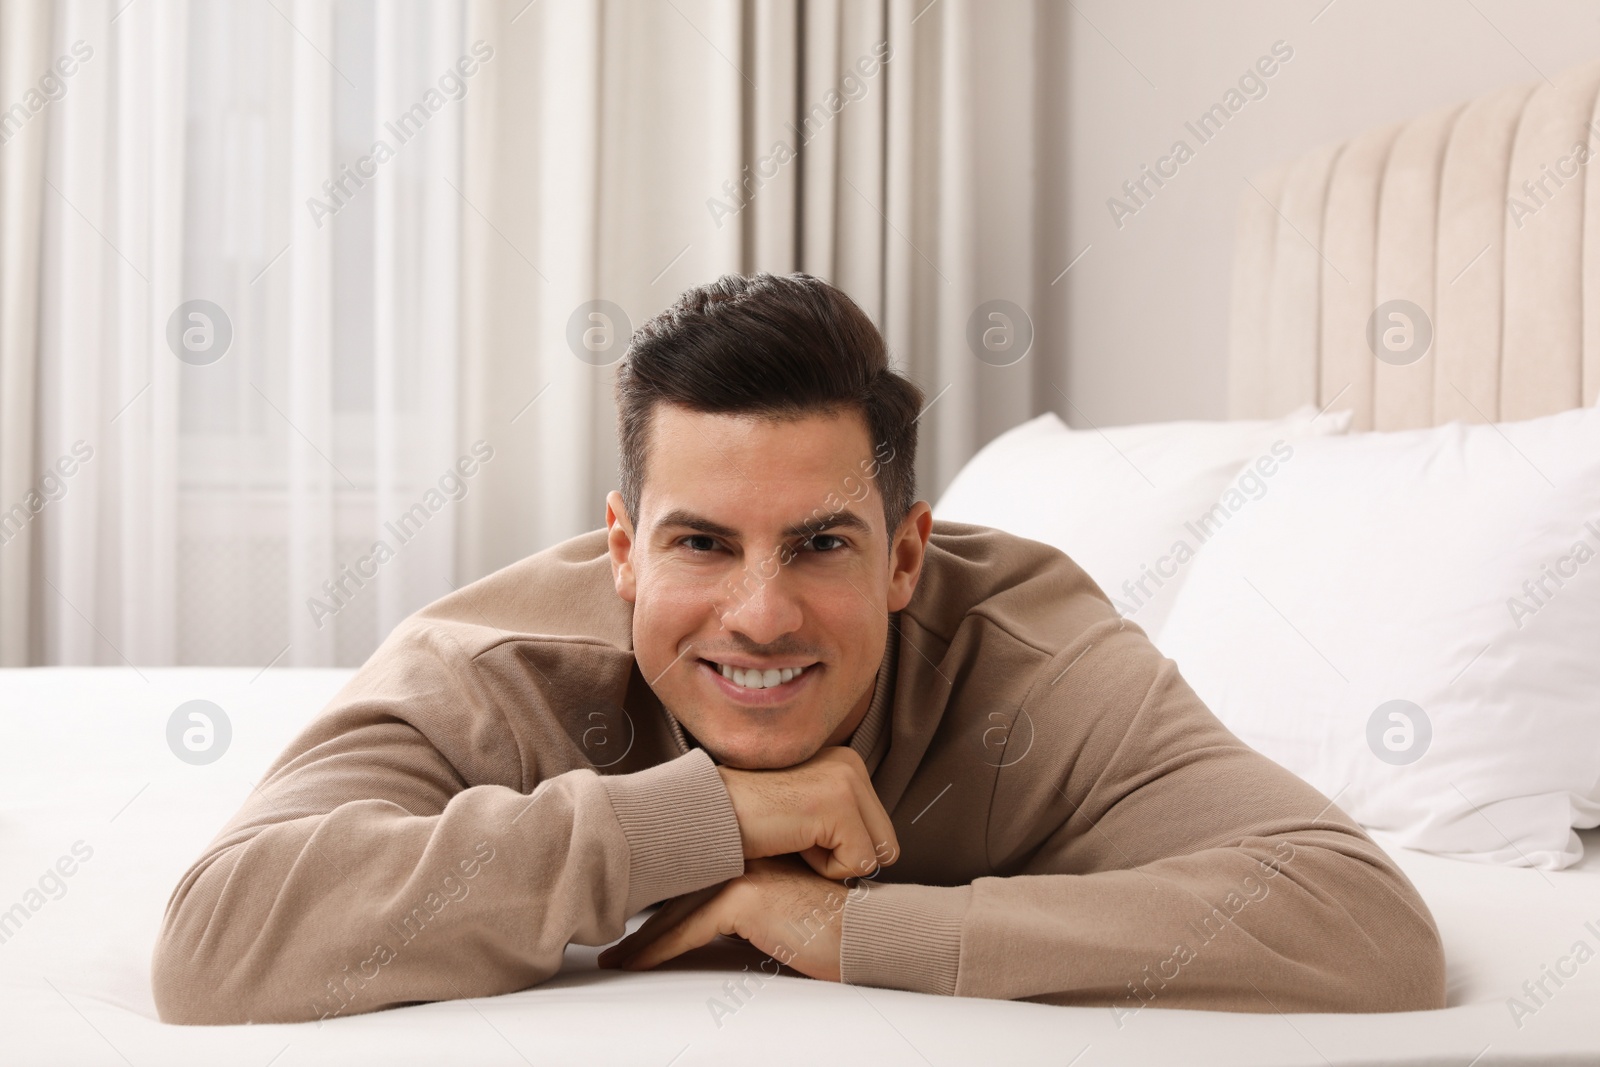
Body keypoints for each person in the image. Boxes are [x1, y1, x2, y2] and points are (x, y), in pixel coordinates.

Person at [151, 271, 1446, 1025]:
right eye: (702, 543)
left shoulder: (1036, 664)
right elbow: (218, 945)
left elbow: (1361, 924)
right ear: (621, 549)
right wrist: (708, 817)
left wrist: (838, 929)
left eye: (822, 545)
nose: (761, 614)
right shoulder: (493, 664)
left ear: (902, 554)